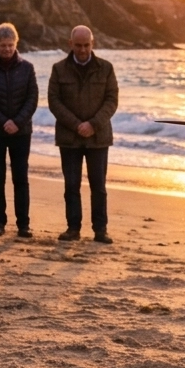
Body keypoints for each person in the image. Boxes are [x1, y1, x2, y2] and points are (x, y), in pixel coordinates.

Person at [47, 25, 118, 243]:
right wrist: (77, 125)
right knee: (71, 186)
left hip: (98, 137)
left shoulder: (106, 68)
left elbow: (111, 100)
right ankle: (73, 228)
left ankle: (100, 230)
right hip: (70, 138)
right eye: (78, 45)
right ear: (70, 44)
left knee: (99, 186)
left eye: (86, 45)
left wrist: (93, 124)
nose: (83, 50)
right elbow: (54, 102)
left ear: (92, 44)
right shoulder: (59, 69)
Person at [0, 23, 38, 238]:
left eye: (11, 45)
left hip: (21, 132)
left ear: (16, 44)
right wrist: (4, 122)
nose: (7, 49)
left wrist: (17, 122)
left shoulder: (27, 68)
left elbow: (32, 99)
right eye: (3, 45)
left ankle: (23, 225)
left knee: (21, 177)